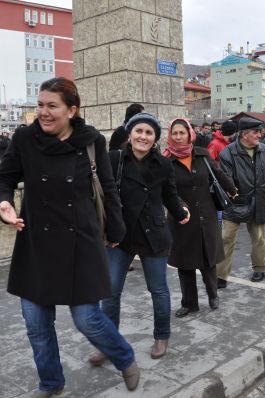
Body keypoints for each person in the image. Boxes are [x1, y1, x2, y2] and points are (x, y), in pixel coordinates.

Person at [0, 77, 140, 396]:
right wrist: (3, 202)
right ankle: (51, 382)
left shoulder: (91, 141)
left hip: (80, 242)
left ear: (72, 110)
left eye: (51, 106)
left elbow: (108, 187)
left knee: (87, 319)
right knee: (36, 324)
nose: (43, 112)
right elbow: (2, 177)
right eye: (40, 105)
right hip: (36, 244)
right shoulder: (25, 139)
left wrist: (116, 228)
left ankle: (124, 357)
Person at [101, 112, 190, 361]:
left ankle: (162, 336)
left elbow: (170, 195)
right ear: (129, 134)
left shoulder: (163, 164)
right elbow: (101, 194)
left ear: (155, 138)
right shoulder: (114, 159)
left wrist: (180, 210)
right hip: (120, 235)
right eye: (139, 131)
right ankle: (108, 342)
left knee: (158, 290)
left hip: (153, 234)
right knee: (110, 292)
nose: (143, 136)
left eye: (149, 132)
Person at [163, 118, 236, 317]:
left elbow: (218, 174)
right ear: (170, 135)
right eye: (175, 133)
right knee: (185, 263)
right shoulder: (165, 161)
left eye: (182, 133)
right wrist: (179, 206)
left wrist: (231, 188)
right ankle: (189, 303)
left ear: (189, 134)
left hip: (206, 215)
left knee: (208, 260)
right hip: (182, 218)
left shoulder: (202, 155)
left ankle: (213, 294)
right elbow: (165, 190)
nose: (178, 137)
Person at [216, 117, 265, 285]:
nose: (259, 135)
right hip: (236, 202)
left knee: (259, 237)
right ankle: (221, 276)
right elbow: (226, 178)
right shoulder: (228, 153)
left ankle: (259, 269)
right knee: (226, 238)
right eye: (256, 132)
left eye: (260, 132)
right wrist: (233, 191)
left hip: (259, 200)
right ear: (244, 135)